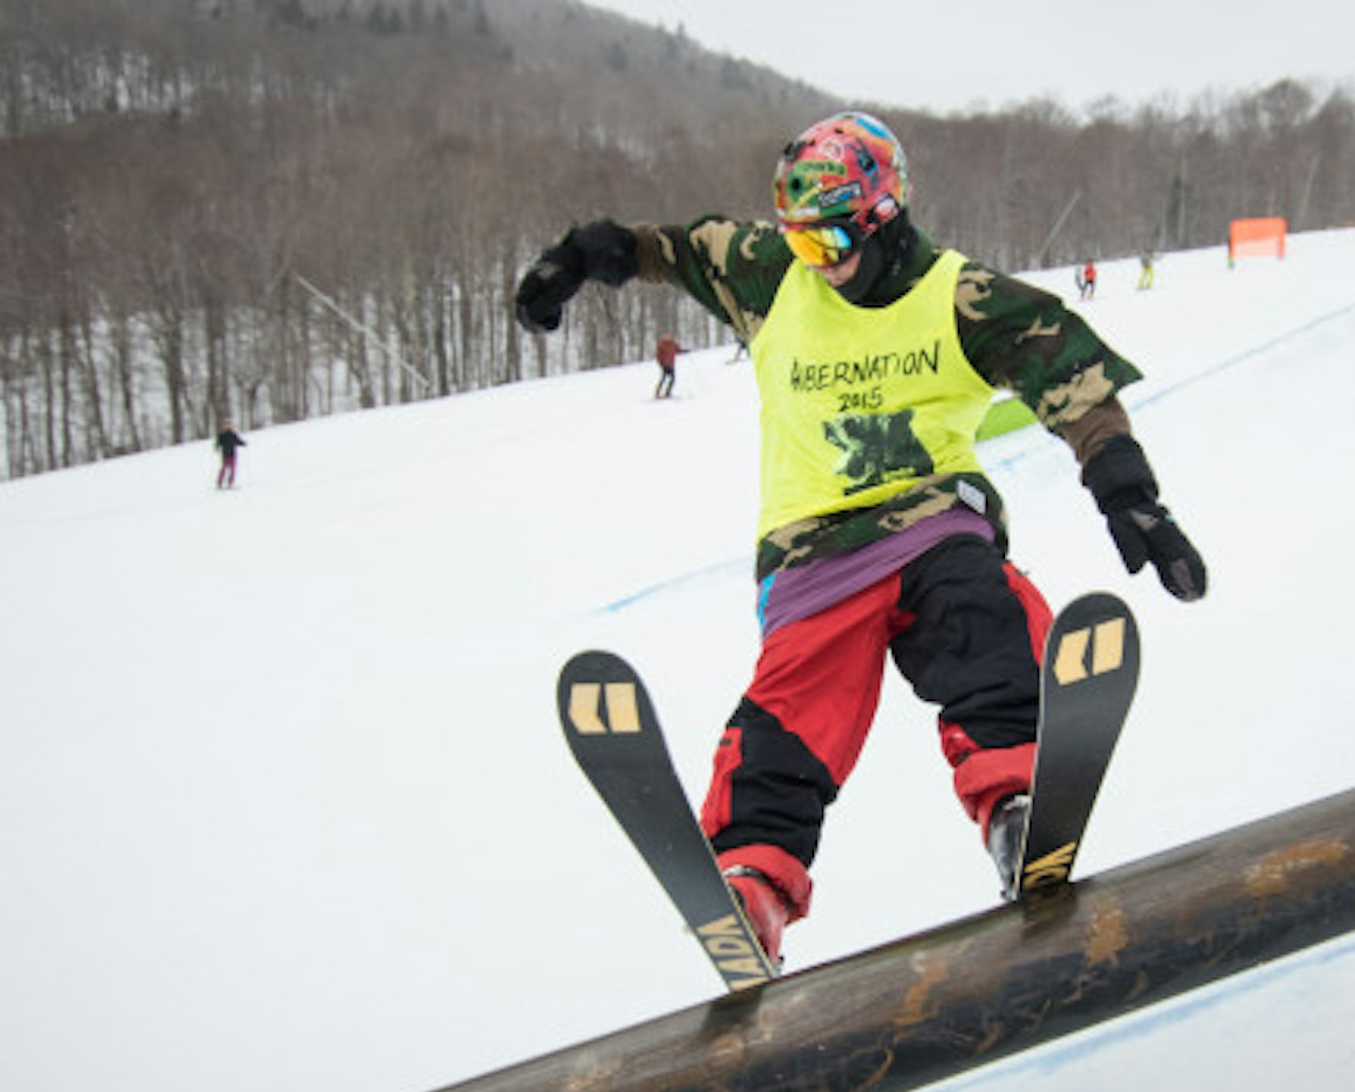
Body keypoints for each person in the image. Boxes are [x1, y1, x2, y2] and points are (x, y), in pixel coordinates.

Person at [514, 111, 1206, 963]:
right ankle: (753, 881)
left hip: (931, 521)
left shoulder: (959, 296)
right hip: (810, 552)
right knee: (792, 709)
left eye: (835, 239)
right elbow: (665, 246)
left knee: (979, 619)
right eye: (803, 243)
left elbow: (1068, 372)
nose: (822, 262)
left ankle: (1017, 802)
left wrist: (1127, 492)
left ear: (887, 214)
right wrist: (577, 259)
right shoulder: (773, 274)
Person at [214, 418, 245, 490]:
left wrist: (243, 443)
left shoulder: (233, 434)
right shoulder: (222, 435)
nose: (228, 426)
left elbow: (237, 441)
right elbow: (218, 442)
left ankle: (230, 483)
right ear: (224, 426)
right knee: (224, 468)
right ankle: (219, 482)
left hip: (232, 454)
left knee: (233, 469)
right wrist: (217, 446)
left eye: (229, 425)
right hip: (225, 455)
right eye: (226, 425)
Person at [653, 333, 682, 398]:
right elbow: (658, 355)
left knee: (672, 379)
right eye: (666, 337)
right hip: (665, 364)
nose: (668, 338)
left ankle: (667, 392)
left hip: (671, 364)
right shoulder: (661, 345)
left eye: (669, 337)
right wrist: (661, 363)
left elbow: (677, 350)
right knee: (664, 379)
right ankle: (658, 392)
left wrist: (685, 351)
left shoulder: (672, 344)